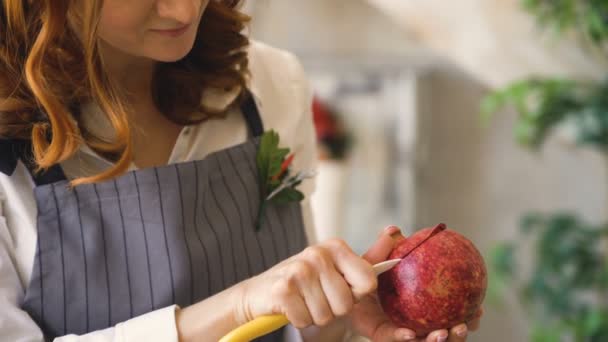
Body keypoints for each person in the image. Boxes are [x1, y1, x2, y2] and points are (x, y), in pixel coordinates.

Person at [0, 1, 481, 341]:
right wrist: (242, 303)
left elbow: (287, 324)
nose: (185, 10)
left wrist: (337, 314)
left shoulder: (270, 84)